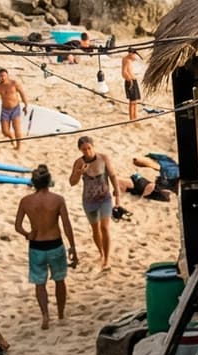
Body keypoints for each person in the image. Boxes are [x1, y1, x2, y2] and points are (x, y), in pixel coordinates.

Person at [15, 164, 78, 327]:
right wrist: (72, 247)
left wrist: (27, 234)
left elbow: (17, 226)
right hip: (55, 243)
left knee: (39, 283)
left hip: (36, 245)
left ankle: (45, 316)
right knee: (59, 280)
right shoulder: (57, 200)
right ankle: (61, 314)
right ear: (49, 181)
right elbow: (66, 225)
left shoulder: (26, 201)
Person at [69, 136, 122, 271]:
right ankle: (101, 253)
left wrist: (117, 193)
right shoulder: (79, 162)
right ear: (80, 150)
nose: (87, 152)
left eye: (89, 148)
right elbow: (72, 182)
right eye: (84, 149)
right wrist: (78, 173)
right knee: (95, 229)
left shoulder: (103, 158)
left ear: (93, 146)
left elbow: (112, 175)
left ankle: (107, 259)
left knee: (105, 227)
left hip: (104, 198)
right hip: (89, 200)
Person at [0, 69, 28, 152]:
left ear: (7, 76)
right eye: (0, 76)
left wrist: (26, 105)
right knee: (5, 131)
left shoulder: (14, 84)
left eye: (4, 75)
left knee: (17, 128)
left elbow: (22, 93)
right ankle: (11, 137)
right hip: (5, 110)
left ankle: (18, 147)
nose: (2, 77)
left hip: (15, 108)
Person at [121, 47, 144, 123]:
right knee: (132, 102)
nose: (135, 55)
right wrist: (129, 80)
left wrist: (134, 55)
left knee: (135, 101)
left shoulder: (129, 59)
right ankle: (131, 119)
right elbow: (124, 72)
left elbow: (135, 59)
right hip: (130, 81)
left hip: (134, 80)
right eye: (134, 53)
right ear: (130, 53)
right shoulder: (126, 60)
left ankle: (135, 118)